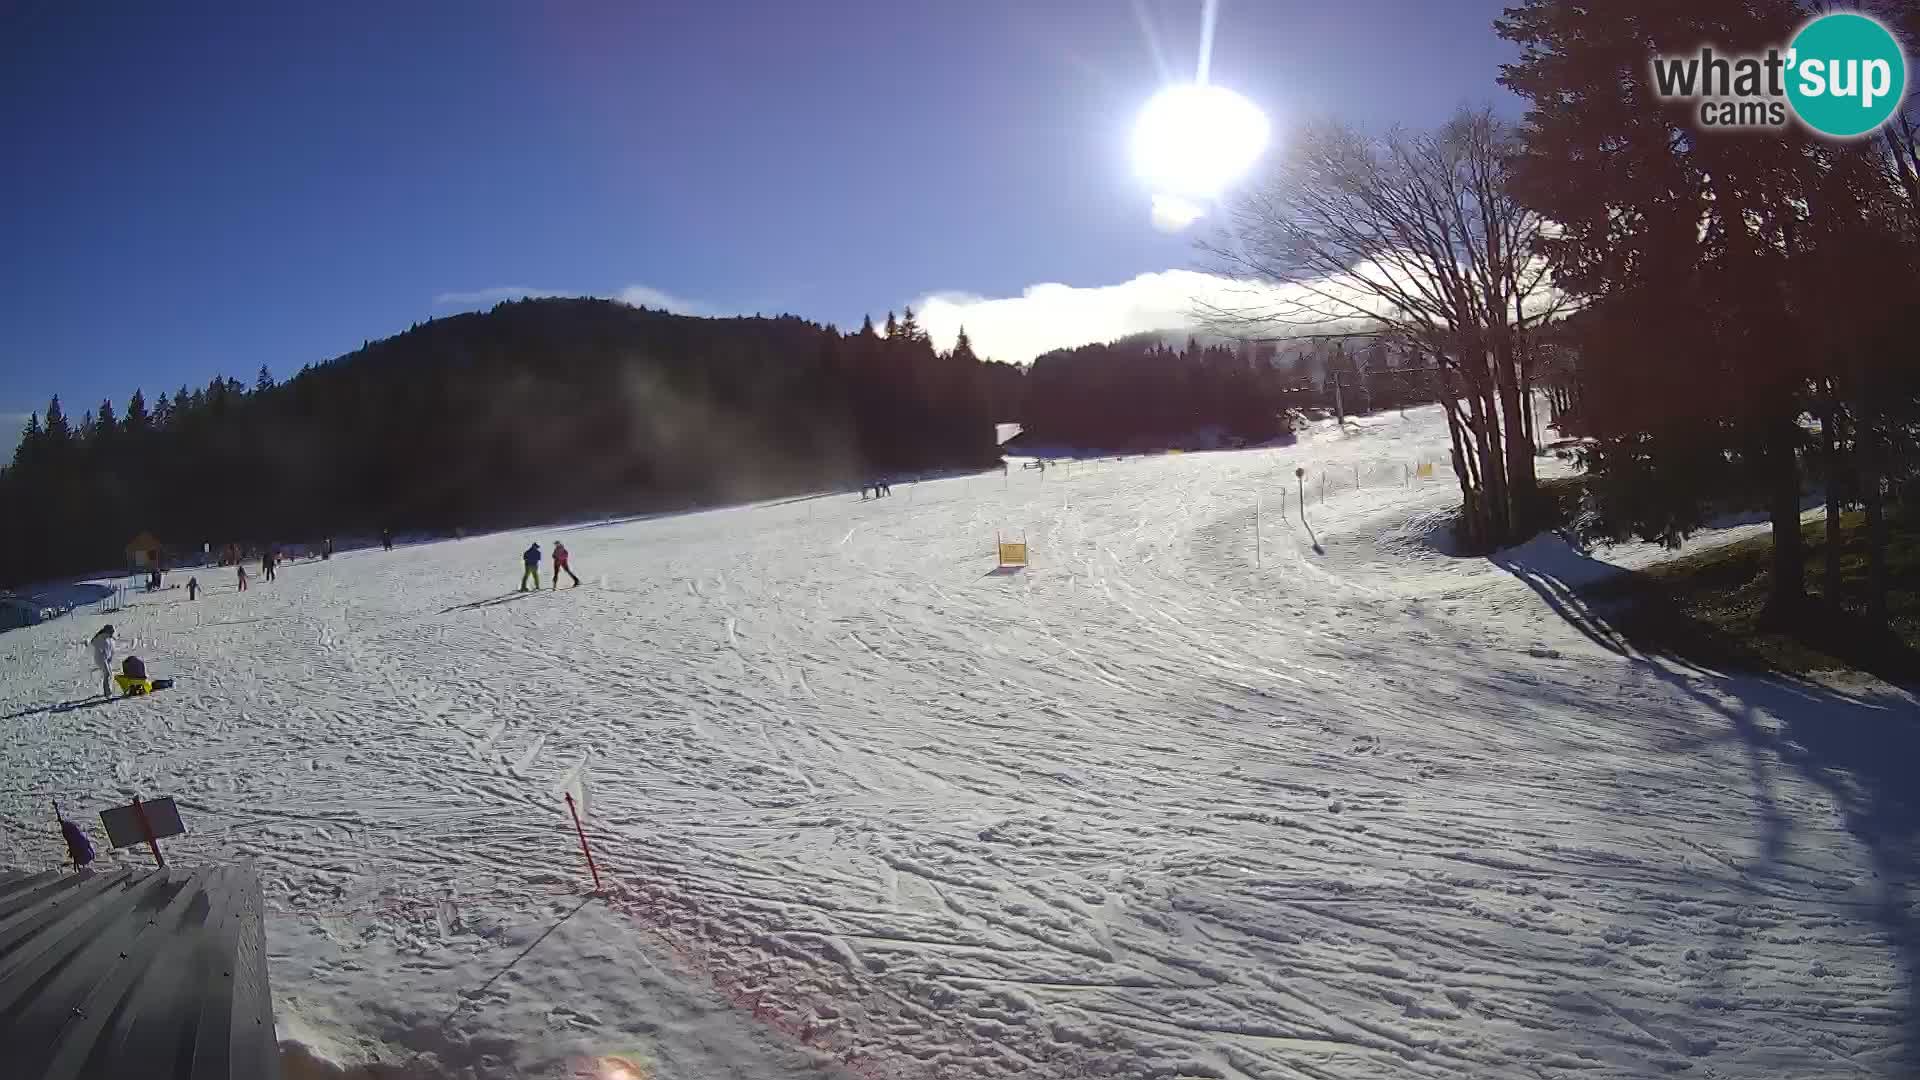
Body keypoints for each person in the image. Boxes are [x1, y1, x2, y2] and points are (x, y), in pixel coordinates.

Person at [90, 625, 115, 698]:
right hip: (101, 659)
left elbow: (110, 648)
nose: (112, 633)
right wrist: (103, 653)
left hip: (106, 659)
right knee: (107, 674)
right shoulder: (101, 637)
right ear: (107, 631)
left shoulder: (108, 638)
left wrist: (110, 656)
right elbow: (94, 643)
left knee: (110, 674)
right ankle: (107, 693)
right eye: (111, 631)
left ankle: (108, 691)